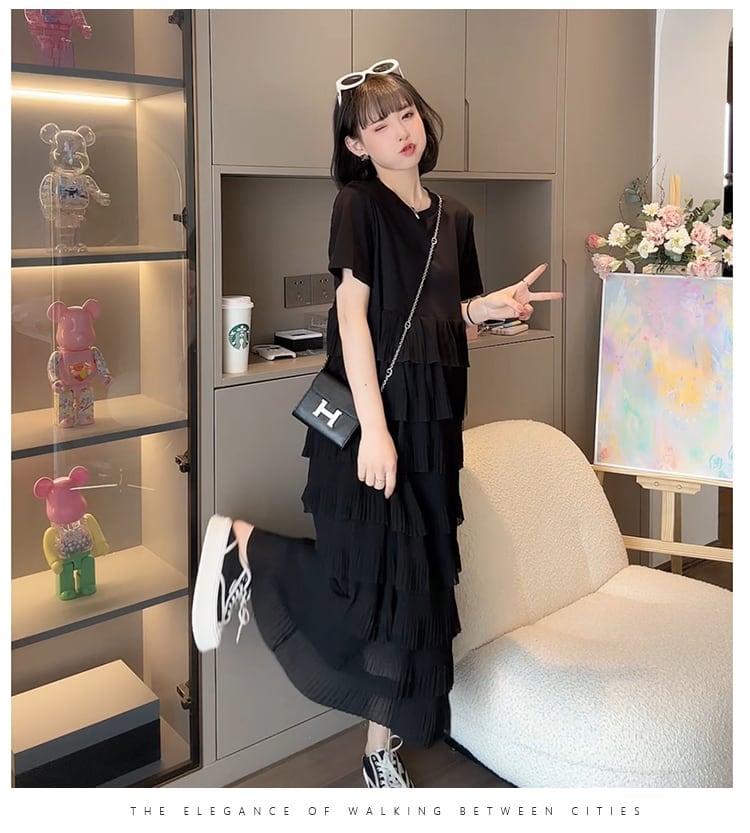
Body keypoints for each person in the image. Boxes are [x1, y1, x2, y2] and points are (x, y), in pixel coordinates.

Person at [191, 58, 563, 789]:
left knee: (413, 596)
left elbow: (445, 318)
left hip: (433, 429)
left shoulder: (456, 218)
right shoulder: (356, 206)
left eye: (407, 114)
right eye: (380, 123)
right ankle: (242, 546)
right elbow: (353, 319)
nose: (401, 130)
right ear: (356, 145)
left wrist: (487, 310)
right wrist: (377, 431)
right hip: (370, 423)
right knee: (361, 585)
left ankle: (377, 750)